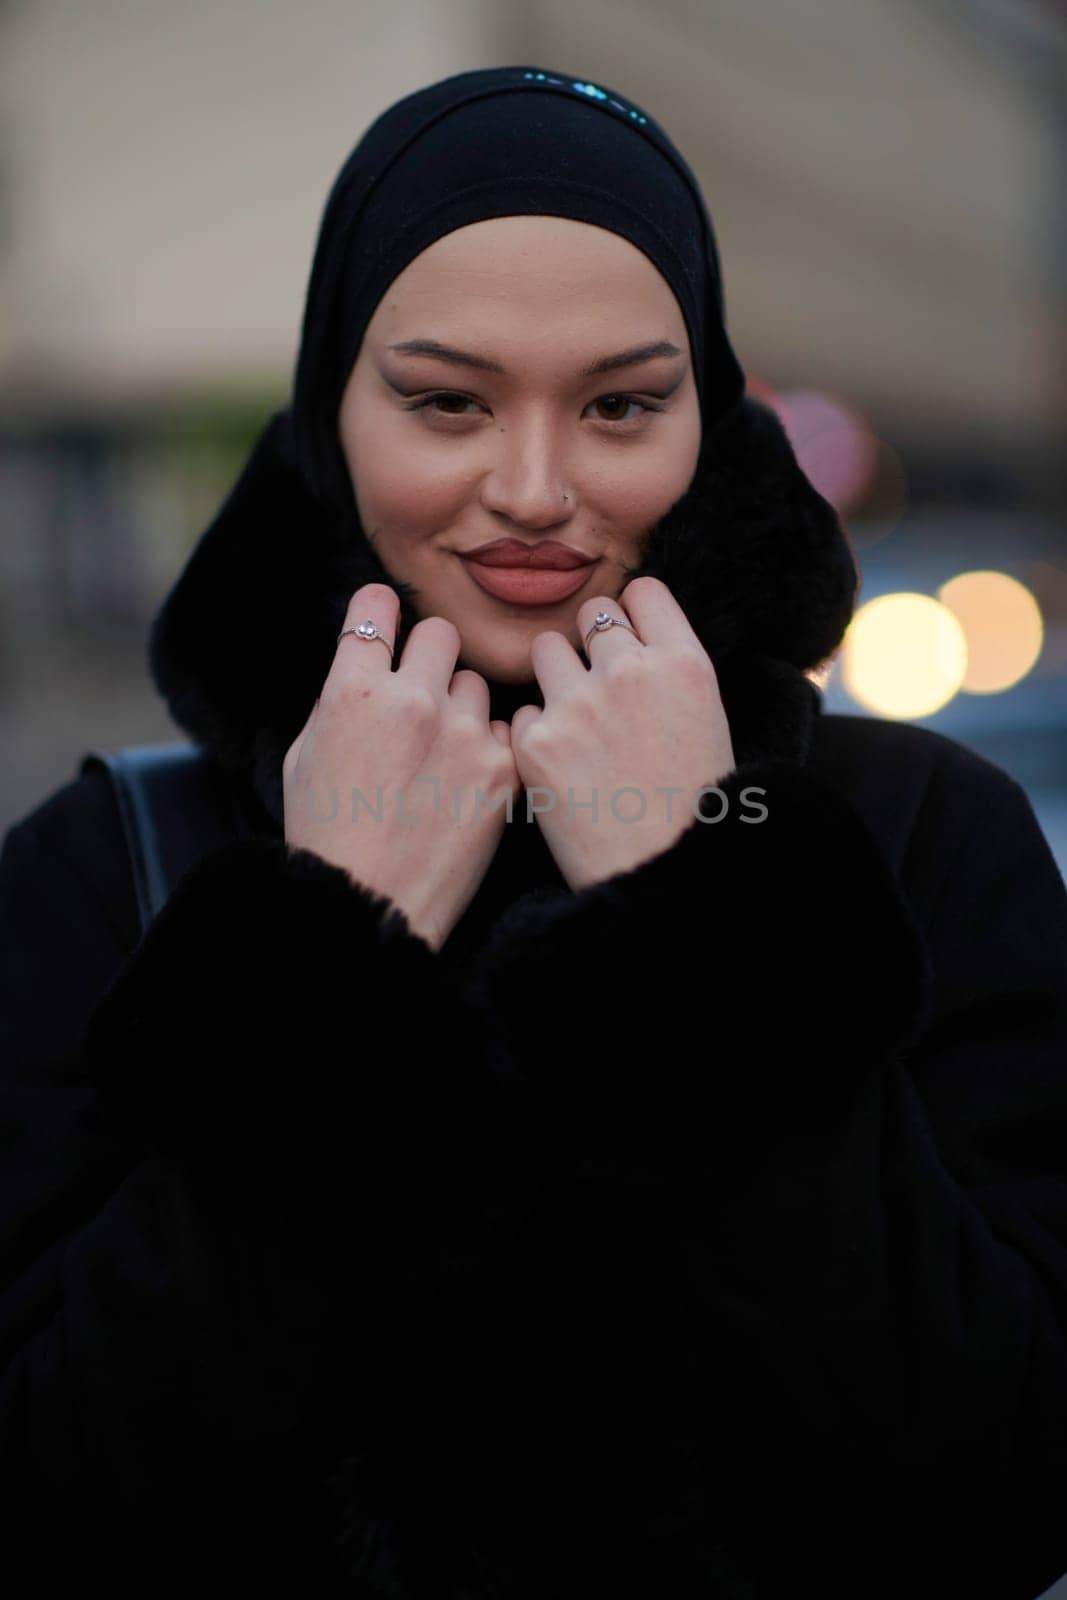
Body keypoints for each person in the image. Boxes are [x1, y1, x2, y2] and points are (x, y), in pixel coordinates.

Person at [1, 62, 1065, 1600]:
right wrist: (326, 948)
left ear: (709, 419)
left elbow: (1006, 1492)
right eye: (445, 401)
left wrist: (696, 909)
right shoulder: (111, 866)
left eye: (624, 404)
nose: (534, 491)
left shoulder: (916, 838)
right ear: (329, 411)